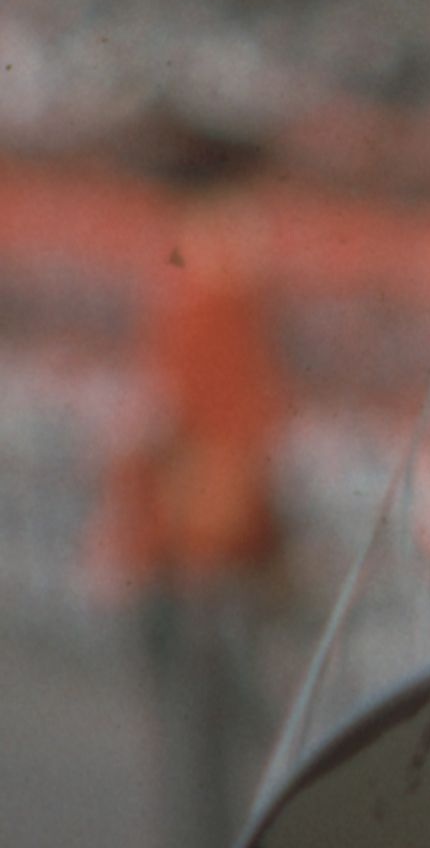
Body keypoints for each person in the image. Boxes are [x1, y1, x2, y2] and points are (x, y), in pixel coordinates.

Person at [99, 118, 287, 848]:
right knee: (201, 756)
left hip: (194, 550)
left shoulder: (206, 296)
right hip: (194, 550)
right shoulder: (210, 297)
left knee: (202, 756)